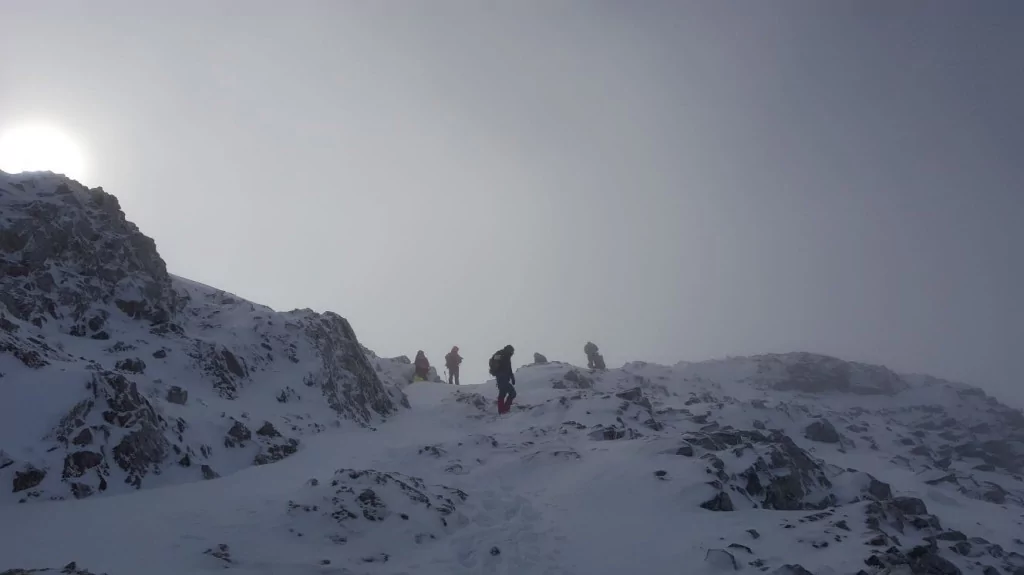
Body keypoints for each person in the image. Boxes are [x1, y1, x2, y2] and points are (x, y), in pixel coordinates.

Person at [489, 344, 516, 414]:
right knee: (512, 393)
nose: (512, 353)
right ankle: (504, 410)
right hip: (501, 377)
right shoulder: (501, 354)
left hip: (503, 377)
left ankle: (502, 411)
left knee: (502, 393)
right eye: (512, 352)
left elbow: (509, 368)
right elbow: (495, 363)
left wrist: (512, 377)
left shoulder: (506, 356)